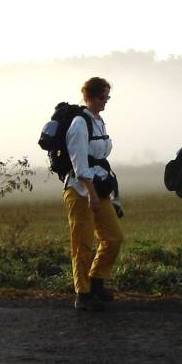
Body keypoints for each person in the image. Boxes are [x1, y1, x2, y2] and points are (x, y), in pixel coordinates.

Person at [62, 77, 124, 312]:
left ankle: (97, 280)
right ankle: (83, 293)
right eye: (102, 97)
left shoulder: (98, 121)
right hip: (80, 190)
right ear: (89, 96)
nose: (105, 101)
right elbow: (79, 161)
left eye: (107, 97)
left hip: (98, 187)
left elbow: (100, 155)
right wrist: (90, 193)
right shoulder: (79, 123)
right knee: (83, 244)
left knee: (114, 237)